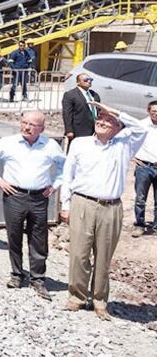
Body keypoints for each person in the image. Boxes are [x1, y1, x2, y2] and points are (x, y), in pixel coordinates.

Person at [59, 102, 147, 319]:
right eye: (100, 119)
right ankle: (76, 297)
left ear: (118, 127)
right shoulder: (80, 143)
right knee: (79, 254)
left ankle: (99, 301)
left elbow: (141, 129)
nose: (101, 122)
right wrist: (65, 205)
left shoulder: (124, 145)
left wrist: (114, 110)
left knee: (103, 257)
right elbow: (67, 175)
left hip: (111, 207)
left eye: (108, 120)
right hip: (82, 203)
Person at [0, 111, 65, 300]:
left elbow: (65, 166)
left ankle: (38, 278)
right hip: (14, 195)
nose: (26, 127)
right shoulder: (8, 143)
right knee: (14, 235)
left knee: (38, 238)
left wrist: (55, 185)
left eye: (32, 125)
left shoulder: (50, 146)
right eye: (24, 123)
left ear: (42, 128)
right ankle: (16, 274)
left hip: (39, 198)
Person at [132, 100, 157, 237]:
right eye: (153, 112)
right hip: (144, 167)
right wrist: (133, 156)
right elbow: (128, 140)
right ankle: (140, 225)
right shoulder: (141, 125)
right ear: (148, 111)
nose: (156, 114)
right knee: (140, 198)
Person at [62, 73, 101, 142]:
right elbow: (67, 114)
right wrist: (69, 130)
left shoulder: (94, 95)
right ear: (78, 82)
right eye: (86, 80)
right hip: (79, 130)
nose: (89, 81)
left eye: (90, 80)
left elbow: (99, 111)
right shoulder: (70, 95)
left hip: (94, 129)